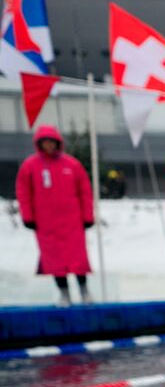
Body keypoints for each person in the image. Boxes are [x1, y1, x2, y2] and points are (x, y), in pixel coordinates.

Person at [16, 125, 94, 307]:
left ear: (58, 142)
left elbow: (85, 191)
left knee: (78, 258)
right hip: (46, 223)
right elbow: (24, 192)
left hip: (72, 222)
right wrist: (28, 216)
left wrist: (87, 216)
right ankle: (64, 293)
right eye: (45, 142)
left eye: (52, 142)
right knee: (54, 260)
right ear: (39, 144)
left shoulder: (72, 165)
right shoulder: (30, 166)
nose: (49, 146)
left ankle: (84, 291)